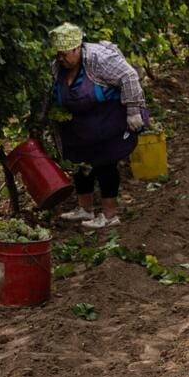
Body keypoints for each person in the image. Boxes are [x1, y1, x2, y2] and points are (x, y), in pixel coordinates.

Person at [47, 23, 147, 229]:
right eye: (58, 54)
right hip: (80, 124)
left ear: (78, 48)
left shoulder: (99, 59)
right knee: (79, 163)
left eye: (65, 54)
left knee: (104, 163)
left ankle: (110, 214)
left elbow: (129, 76)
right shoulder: (58, 67)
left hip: (108, 118)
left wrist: (134, 111)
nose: (61, 59)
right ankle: (85, 208)